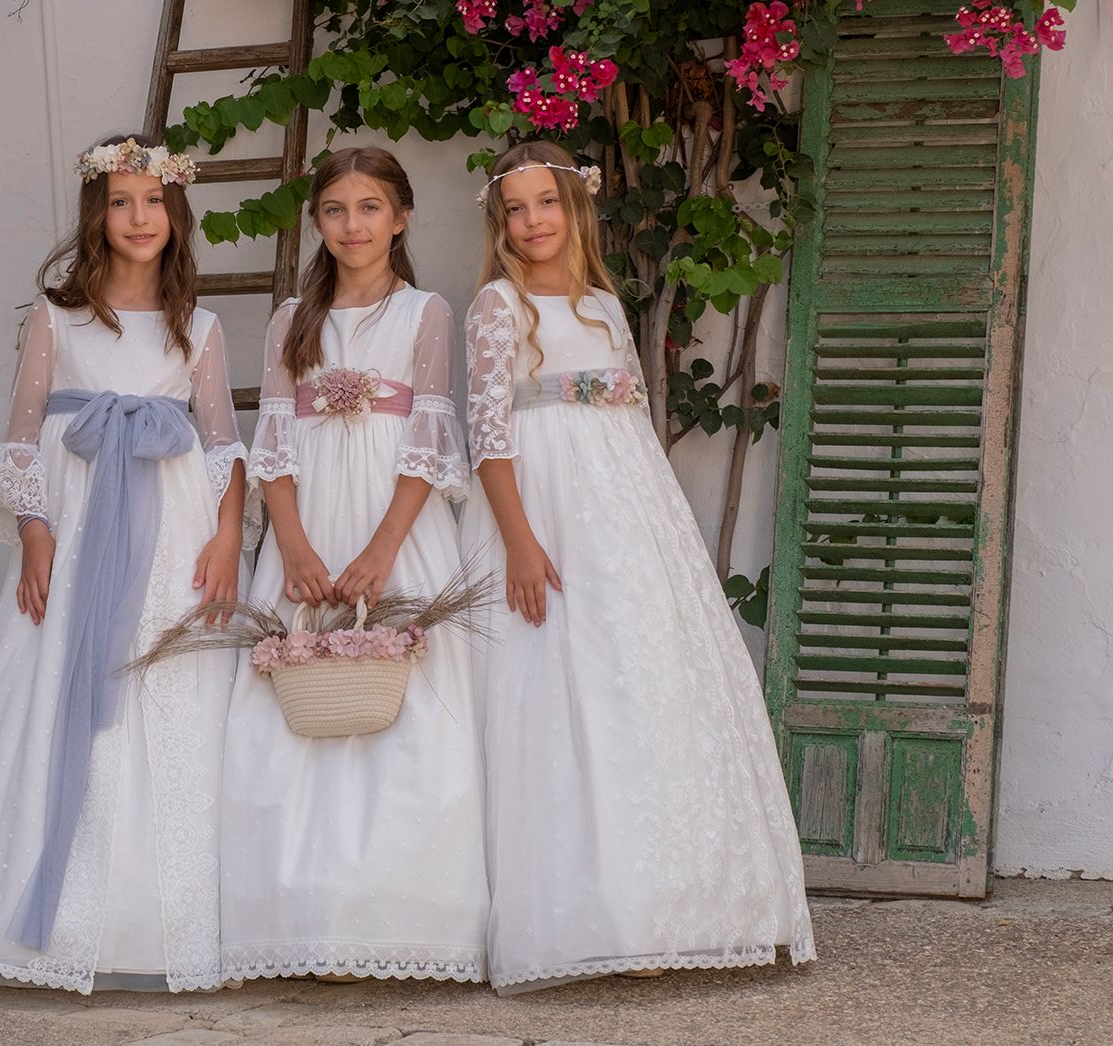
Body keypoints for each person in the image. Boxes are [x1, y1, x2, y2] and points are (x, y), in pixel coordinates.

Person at [0, 133, 247, 994]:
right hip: (79, 530)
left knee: (163, 689)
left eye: (153, 202)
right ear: (97, 215)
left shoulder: (199, 328)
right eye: (121, 202)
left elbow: (222, 444)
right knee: (54, 678)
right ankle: (37, 925)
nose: (139, 217)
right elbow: (22, 438)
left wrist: (228, 536)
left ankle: (160, 928)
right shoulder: (57, 319)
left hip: (170, 538)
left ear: (176, 213)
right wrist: (35, 532)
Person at [461, 140, 816, 994]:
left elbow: (629, 425)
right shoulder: (498, 306)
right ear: (500, 222)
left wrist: (657, 533)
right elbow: (489, 436)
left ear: (575, 207)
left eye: (548, 202)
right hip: (540, 508)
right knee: (554, 687)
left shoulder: (602, 306)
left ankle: (659, 906)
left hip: (621, 513)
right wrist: (519, 540)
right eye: (517, 208)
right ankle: (579, 913)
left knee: (636, 681)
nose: (533, 221)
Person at [218, 147, 488, 984]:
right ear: (318, 223)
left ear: (400, 218)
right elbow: (273, 441)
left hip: (393, 527)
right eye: (335, 210)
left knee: (413, 710)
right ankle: (296, 920)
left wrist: (382, 550)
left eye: (370, 208)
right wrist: (292, 545)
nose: (352, 225)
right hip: (309, 528)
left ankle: (401, 919)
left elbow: (429, 436)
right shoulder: (290, 321)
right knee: (292, 706)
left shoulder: (427, 313)